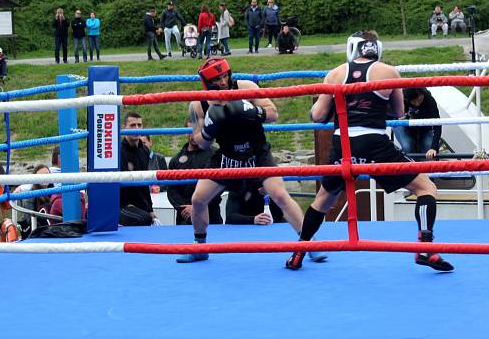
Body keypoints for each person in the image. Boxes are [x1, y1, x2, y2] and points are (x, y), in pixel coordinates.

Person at [286, 31, 453, 272]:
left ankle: (298, 252)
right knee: (426, 188)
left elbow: (318, 115)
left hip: (341, 144)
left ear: (352, 48)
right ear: (377, 49)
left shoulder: (334, 75)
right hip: (374, 142)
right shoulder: (388, 72)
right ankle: (425, 247)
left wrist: (335, 104)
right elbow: (398, 112)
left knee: (323, 200)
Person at [176, 58, 320, 264]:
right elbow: (201, 142)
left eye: (225, 75)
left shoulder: (246, 87)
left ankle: (309, 242)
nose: (224, 81)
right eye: (218, 79)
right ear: (207, 83)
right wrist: (209, 129)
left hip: (257, 153)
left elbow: (273, 113)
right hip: (227, 157)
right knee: (198, 199)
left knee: (279, 194)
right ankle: (200, 246)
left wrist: (252, 111)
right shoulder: (199, 104)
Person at [166, 120, 223, 225]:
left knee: (213, 241)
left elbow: (219, 186)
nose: (195, 135)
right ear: (186, 132)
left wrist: (197, 206)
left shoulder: (215, 154)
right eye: (192, 131)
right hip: (184, 217)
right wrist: (184, 208)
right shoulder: (176, 159)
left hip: (211, 215)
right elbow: (172, 190)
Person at [119, 112, 158, 226]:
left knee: (150, 218)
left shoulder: (144, 150)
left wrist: (150, 208)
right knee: (143, 218)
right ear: (124, 128)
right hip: (122, 205)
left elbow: (144, 182)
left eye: (139, 125)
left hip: (140, 204)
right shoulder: (118, 152)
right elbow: (116, 183)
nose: (136, 128)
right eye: (132, 125)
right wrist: (125, 204)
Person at [393, 88, 443, 159]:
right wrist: (396, 118)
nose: (417, 104)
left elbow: (437, 123)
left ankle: (424, 168)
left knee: (428, 147)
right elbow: (386, 116)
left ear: (423, 94)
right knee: (407, 146)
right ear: (407, 99)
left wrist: (434, 147)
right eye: (413, 101)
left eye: (420, 100)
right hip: (403, 126)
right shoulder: (399, 99)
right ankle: (410, 166)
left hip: (424, 127)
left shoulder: (429, 100)